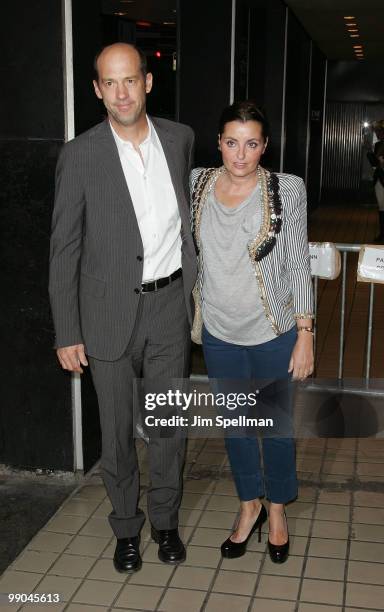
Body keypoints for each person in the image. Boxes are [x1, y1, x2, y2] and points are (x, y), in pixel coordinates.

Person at [49, 43, 196, 573]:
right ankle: (127, 529)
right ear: (96, 89)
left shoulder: (179, 140)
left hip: (168, 307)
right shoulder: (80, 154)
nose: (121, 93)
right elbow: (64, 249)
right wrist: (67, 330)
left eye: (130, 80)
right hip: (105, 315)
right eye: (110, 83)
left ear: (148, 82)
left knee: (168, 427)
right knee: (115, 435)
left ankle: (166, 523)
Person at [190, 100, 314, 564]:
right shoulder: (198, 182)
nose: (239, 154)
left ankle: (278, 510)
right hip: (220, 332)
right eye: (230, 142)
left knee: (275, 429)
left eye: (251, 144)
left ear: (264, 147)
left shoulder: (287, 189)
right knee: (237, 429)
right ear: (218, 142)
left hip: (272, 329)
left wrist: (306, 332)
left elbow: (299, 260)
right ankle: (249, 507)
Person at [367, 120, 384, 242]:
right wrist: (369, 152)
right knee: (382, 208)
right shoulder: (378, 145)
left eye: (379, 131)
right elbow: (375, 164)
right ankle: (382, 234)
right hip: (380, 178)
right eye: (377, 131)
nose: (377, 133)